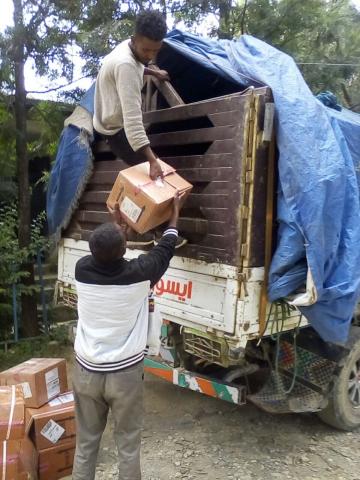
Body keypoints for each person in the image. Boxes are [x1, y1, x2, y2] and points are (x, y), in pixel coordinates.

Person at [71, 193, 183, 480]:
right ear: (123, 250)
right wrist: (174, 213)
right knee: (128, 446)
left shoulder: (82, 270)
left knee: (85, 445)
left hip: (87, 371)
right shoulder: (140, 274)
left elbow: (107, 250)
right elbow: (166, 247)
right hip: (124, 375)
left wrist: (115, 224)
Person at [93, 10, 169, 181]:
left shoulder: (129, 46)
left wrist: (154, 73)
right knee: (157, 180)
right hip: (115, 130)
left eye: (155, 51)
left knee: (157, 172)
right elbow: (133, 125)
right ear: (134, 40)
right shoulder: (126, 67)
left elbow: (137, 64)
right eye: (146, 50)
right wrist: (152, 160)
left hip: (107, 114)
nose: (150, 56)